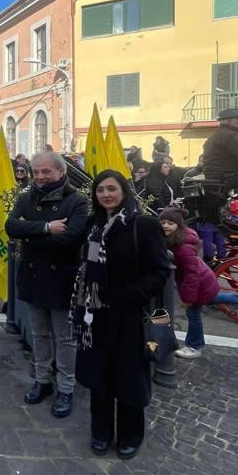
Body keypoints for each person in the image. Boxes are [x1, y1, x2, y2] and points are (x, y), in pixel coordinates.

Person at [70, 170, 171, 458]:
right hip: (95, 314)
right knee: (99, 376)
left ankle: (131, 434)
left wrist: (129, 296)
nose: (106, 195)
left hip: (129, 316)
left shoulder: (144, 225)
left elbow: (160, 271)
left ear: (124, 190)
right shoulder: (94, 225)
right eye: (100, 190)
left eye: (111, 188)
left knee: (129, 377)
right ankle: (100, 431)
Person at [6, 152, 89, 418]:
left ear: (61, 172)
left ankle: (66, 387)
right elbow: (10, 227)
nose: (40, 176)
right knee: (39, 334)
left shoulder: (76, 201)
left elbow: (72, 239)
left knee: (65, 338)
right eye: (36, 172)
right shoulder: (25, 197)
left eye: (46, 172)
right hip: (32, 277)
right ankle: (42, 380)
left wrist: (28, 233)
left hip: (62, 280)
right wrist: (44, 228)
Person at [159, 206, 238, 359]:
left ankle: (194, 346)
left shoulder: (182, 247)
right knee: (217, 298)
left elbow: (192, 274)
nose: (165, 226)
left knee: (193, 313)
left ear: (178, 225)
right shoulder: (174, 239)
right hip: (204, 280)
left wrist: (188, 298)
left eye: (170, 223)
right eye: (162, 222)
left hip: (200, 283)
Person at [202, 107, 238, 223]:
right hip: (226, 175)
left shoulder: (218, 135)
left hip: (217, 174)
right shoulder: (229, 135)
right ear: (230, 121)